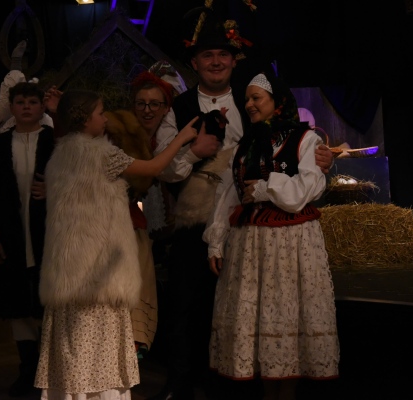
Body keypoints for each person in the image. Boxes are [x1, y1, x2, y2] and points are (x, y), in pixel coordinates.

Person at [147, 7, 334, 400]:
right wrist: (194, 151)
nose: (216, 62)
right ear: (194, 62)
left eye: (223, 55)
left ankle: (230, 384)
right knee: (186, 303)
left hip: (249, 220)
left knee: (240, 309)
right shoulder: (180, 108)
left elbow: (293, 149)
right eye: (207, 55)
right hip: (198, 217)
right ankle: (181, 382)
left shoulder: (254, 103)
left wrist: (321, 160)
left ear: (234, 61)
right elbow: (166, 168)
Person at [34, 88, 200, 400]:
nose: (105, 119)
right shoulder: (102, 155)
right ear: (85, 119)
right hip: (98, 271)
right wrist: (182, 138)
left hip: (69, 269)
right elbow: (153, 168)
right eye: (100, 113)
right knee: (97, 342)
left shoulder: (60, 155)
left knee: (73, 342)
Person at [203, 71, 340, 400]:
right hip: (250, 244)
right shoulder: (245, 146)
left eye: (256, 98)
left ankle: (287, 394)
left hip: (291, 242)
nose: (249, 104)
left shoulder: (306, 141)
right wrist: (216, 241)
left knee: (286, 317)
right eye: (246, 99)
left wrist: (267, 188)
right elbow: (229, 195)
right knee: (261, 321)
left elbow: (305, 191)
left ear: (277, 102)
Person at [0, 81, 55, 397]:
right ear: (12, 107)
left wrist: (54, 188)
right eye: (20, 102)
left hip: (50, 236)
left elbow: (76, 181)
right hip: (12, 235)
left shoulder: (56, 140)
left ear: (42, 106)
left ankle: (49, 372)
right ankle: (27, 370)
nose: (26, 107)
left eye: (32, 102)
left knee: (47, 302)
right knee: (18, 303)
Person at [104, 65, 185, 358]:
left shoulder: (167, 137)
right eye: (141, 103)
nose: (147, 110)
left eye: (155, 104)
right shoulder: (118, 135)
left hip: (164, 227)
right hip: (120, 224)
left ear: (165, 108)